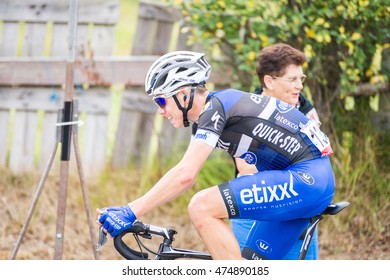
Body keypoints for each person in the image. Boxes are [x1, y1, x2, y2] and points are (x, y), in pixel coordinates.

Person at [97, 50, 335, 260]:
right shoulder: (206, 117)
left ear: (183, 95)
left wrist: (130, 211)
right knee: (252, 264)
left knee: (201, 207)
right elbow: (183, 178)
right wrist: (133, 210)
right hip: (310, 181)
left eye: (161, 100)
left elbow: (185, 176)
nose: (160, 111)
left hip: (307, 179)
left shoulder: (215, 108)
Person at [230, 43, 322, 260]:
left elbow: (319, 159)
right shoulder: (244, 113)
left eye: (301, 78)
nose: (299, 86)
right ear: (269, 81)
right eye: (292, 79)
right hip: (254, 209)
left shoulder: (304, 107)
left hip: (299, 209)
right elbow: (246, 168)